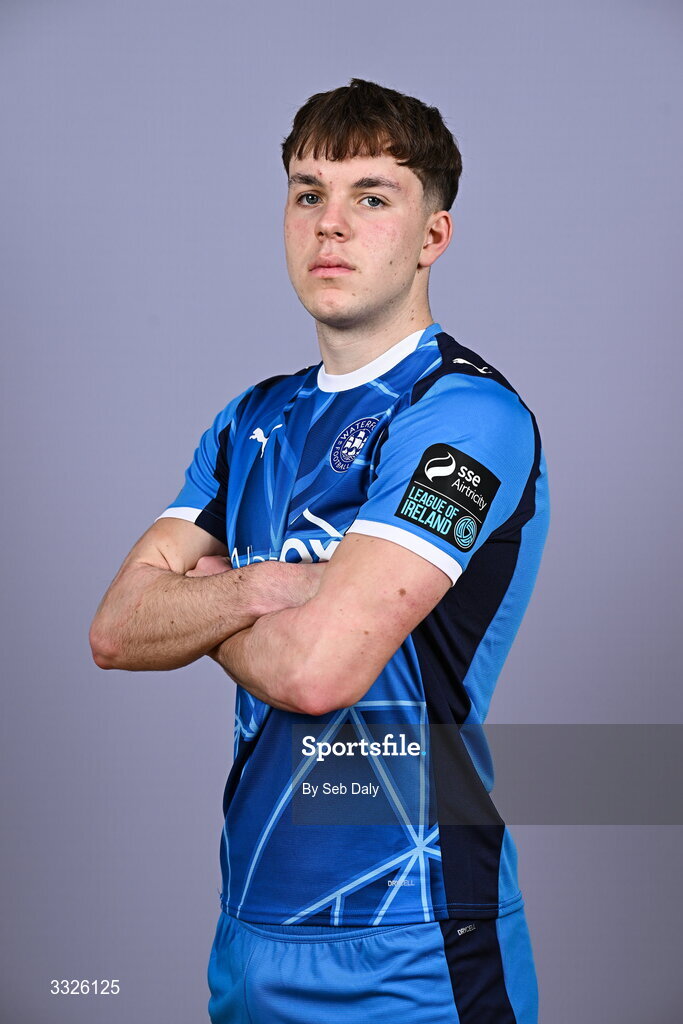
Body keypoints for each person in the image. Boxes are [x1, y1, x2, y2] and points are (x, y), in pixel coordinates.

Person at [90, 78, 549, 1024]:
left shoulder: (464, 416)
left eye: (371, 197)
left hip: (412, 939)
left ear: (432, 236)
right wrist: (269, 584)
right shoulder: (249, 421)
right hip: (249, 928)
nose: (329, 226)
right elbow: (115, 628)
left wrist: (207, 596)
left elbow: (317, 671)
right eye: (308, 194)